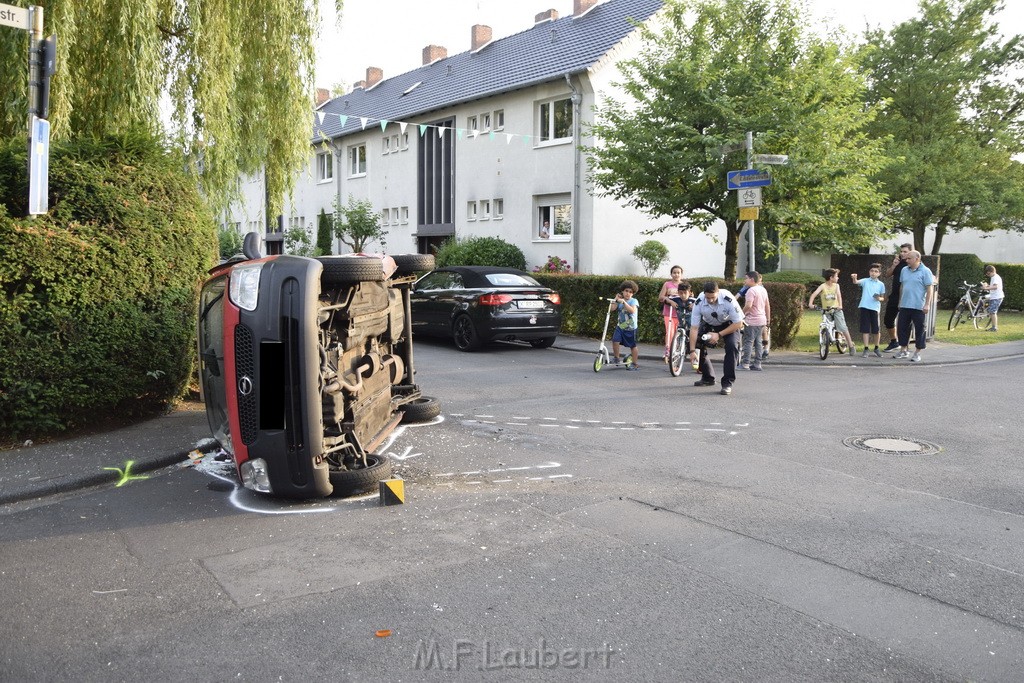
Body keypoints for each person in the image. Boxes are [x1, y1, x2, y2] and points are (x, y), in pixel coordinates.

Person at [689, 281, 744, 395]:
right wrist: (692, 351)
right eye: (707, 297)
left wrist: (719, 335)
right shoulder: (699, 301)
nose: (710, 300)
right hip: (709, 324)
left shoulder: (728, 299)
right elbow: (694, 328)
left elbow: (739, 323)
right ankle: (708, 378)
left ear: (718, 293)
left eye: (712, 297)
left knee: (732, 346)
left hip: (729, 325)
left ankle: (727, 383)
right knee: (697, 344)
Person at [893, 250, 935, 362]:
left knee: (920, 329)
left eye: (909, 258)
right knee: (902, 328)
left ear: (917, 259)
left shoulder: (925, 271)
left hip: (918, 306)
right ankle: (903, 350)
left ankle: (917, 352)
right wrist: (900, 302)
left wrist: (927, 304)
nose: (907, 261)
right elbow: (902, 286)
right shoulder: (904, 270)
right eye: (906, 258)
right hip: (905, 305)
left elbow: (929, 288)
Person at [808, 268, 856, 354]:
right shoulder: (823, 286)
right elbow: (814, 294)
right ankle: (827, 340)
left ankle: (851, 345)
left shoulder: (836, 286)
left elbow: (839, 296)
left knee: (842, 327)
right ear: (831, 278)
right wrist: (811, 304)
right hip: (826, 310)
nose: (838, 278)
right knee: (826, 325)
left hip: (836, 309)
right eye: (836, 276)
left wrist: (840, 306)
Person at [850, 264, 886, 357]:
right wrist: (854, 278)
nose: (873, 273)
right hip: (864, 307)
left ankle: (876, 348)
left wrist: (879, 298)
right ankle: (866, 349)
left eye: (876, 271)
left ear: (879, 273)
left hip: (875, 308)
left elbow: (883, 298)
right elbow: (856, 282)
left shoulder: (881, 284)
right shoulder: (865, 281)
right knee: (865, 329)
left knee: (876, 330)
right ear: (869, 272)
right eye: (872, 271)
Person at [883, 243, 913, 351]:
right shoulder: (898, 262)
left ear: (910, 252)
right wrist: (894, 265)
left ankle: (905, 346)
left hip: (907, 297)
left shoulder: (912, 264)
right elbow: (887, 274)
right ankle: (894, 342)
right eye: (901, 251)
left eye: (905, 251)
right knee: (888, 320)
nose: (902, 253)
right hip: (895, 296)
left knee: (905, 323)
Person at [739, 271, 770, 371]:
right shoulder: (763, 290)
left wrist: (740, 314)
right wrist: (768, 318)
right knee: (758, 342)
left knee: (748, 341)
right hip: (761, 320)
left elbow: (748, 305)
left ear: (752, 279)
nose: (745, 280)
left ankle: (745, 364)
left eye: (746, 278)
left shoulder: (751, 291)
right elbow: (767, 305)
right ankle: (757, 364)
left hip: (752, 320)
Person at [609, 280, 640, 370]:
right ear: (622, 291)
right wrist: (615, 300)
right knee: (615, 340)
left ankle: (634, 363)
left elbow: (632, 311)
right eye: (626, 291)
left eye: (630, 292)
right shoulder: (620, 301)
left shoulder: (634, 301)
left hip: (631, 327)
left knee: (633, 346)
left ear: (632, 294)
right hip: (621, 325)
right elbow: (612, 309)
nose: (628, 293)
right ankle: (616, 358)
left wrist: (624, 302)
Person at [657, 265, 685, 363]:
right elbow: (660, 297)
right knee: (669, 333)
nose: (676, 274)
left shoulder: (684, 285)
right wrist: (669, 300)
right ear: (671, 274)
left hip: (680, 313)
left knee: (680, 333)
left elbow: (689, 297)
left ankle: (677, 350)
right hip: (668, 313)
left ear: (681, 274)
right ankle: (667, 351)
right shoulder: (667, 284)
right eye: (674, 272)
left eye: (678, 273)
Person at [980, 265, 1004, 332]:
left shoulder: (995, 277)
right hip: (994, 297)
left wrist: (986, 288)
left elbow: (995, 287)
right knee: (991, 311)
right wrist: (987, 285)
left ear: (992, 271)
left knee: (993, 312)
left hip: (997, 297)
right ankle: (993, 327)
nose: (987, 275)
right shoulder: (994, 277)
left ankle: (994, 328)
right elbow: (993, 286)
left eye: (988, 273)